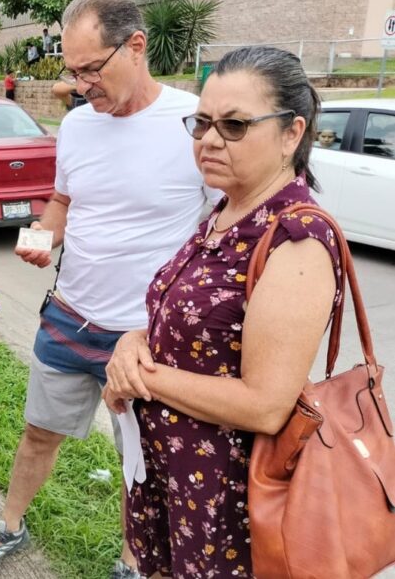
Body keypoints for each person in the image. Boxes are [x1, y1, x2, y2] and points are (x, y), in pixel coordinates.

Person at [0, 0, 220, 579]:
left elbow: (220, 229)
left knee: (139, 458)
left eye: (90, 70)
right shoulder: (78, 125)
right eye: (72, 72)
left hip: (145, 337)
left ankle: (132, 563)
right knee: (38, 433)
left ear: (136, 46)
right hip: (70, 315)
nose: (81, 85)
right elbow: (63, 199)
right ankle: (9, 525)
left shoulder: (194, 124)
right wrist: (48, 234)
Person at [104, 46, 341, 578]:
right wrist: (131, 344)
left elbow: (264, 406)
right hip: (172, 476)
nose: (210, 140)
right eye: (203, 123)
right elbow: (193, 329)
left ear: (290, 133)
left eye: (234, 125)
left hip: (224, 500)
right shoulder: (227, 210)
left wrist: (144, 377)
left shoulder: (296, 239)